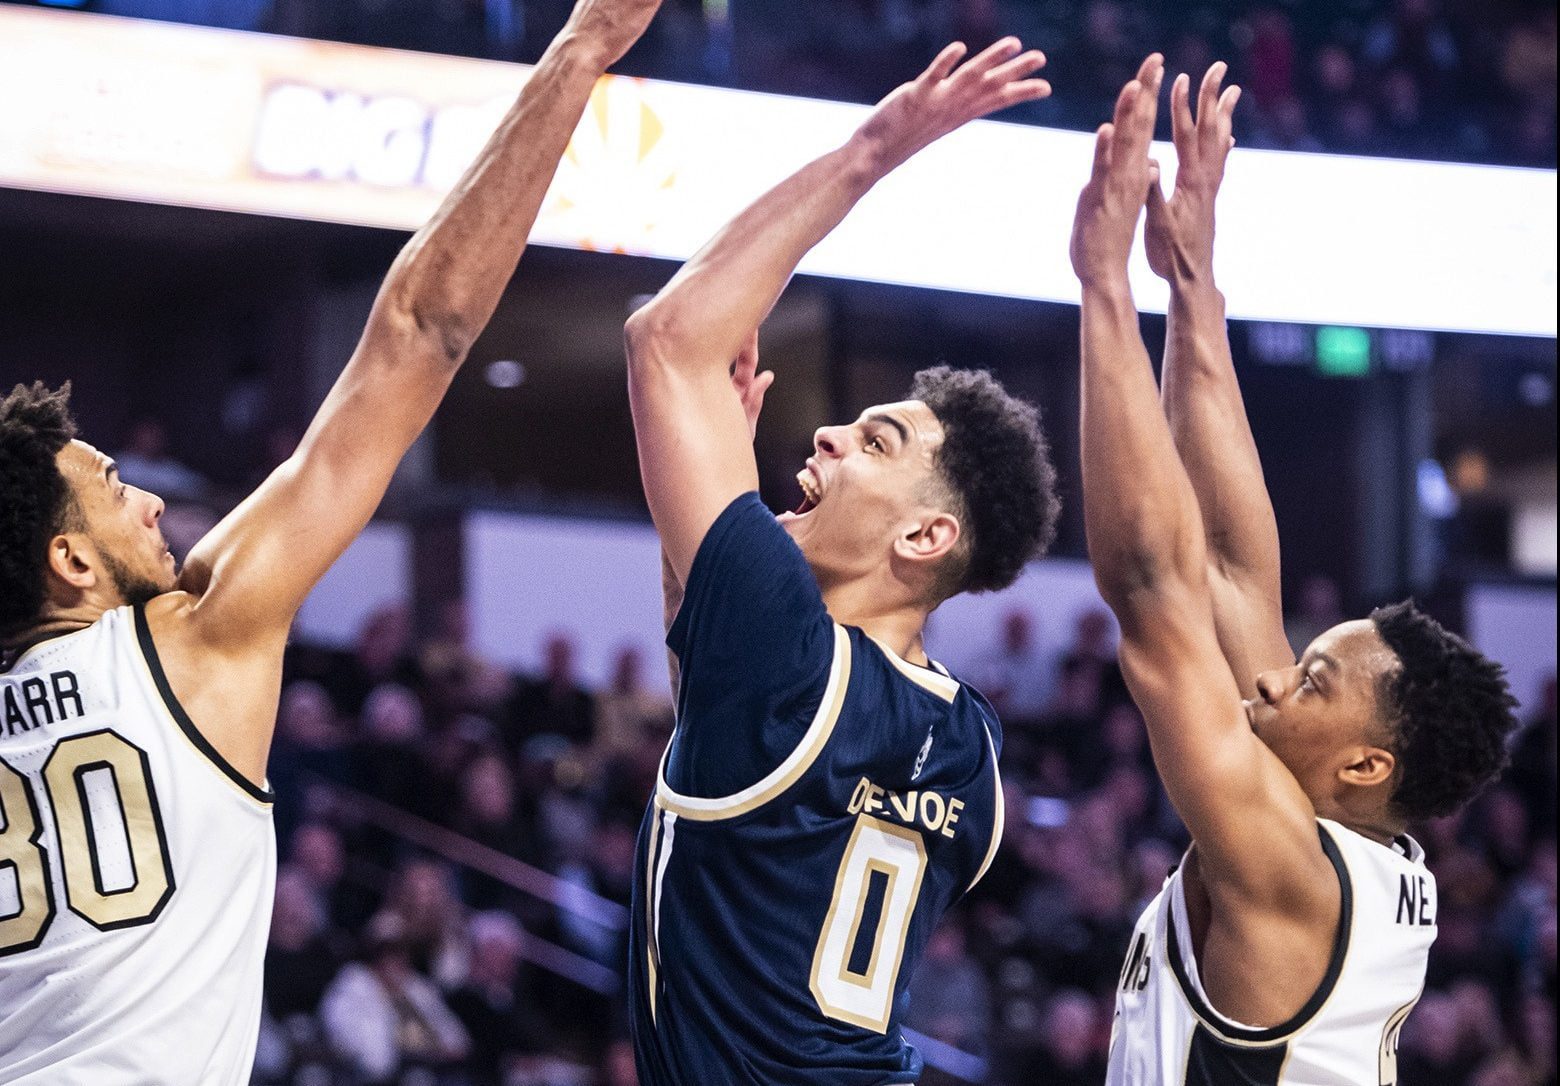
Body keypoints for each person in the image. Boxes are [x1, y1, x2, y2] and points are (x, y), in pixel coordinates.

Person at [0, 1, 664, 1080]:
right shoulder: (193, 646)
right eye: (116, 490)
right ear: (69, 563)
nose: (155, 505)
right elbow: (422, 331)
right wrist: (579, 53)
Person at [1069, 56, 1521, 1083]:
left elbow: (1153, 587)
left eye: (1311, 680)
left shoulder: (1286, 867)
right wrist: (1191, 280)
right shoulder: (1355, 838)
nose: (1271, 675)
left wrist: (1102, 290)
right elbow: (1228, 562)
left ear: (1365, 763)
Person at [624, 36, 1060, 1084]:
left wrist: (878, 143)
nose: (824, 440)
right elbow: (721, 722)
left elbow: (664, 339)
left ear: (924, 537)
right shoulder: (968, 744)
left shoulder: (791, 653)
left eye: (874, 443)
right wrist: (702, 553)